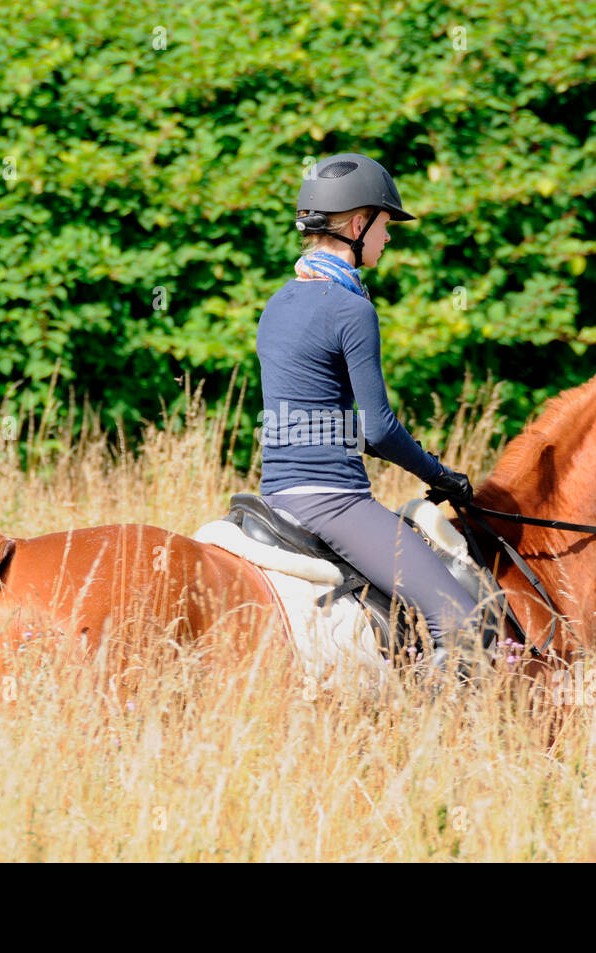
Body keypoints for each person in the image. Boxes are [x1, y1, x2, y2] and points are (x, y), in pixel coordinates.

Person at [255, 152, 495, 674]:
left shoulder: (277, 302)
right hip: (332, 501)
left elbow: (321, 419)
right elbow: (381, 429)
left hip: (274, 492)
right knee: (462, 626)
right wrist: (441, 474)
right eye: (386, 225)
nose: (388, 239)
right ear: (359, 224)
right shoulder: (351, 308)